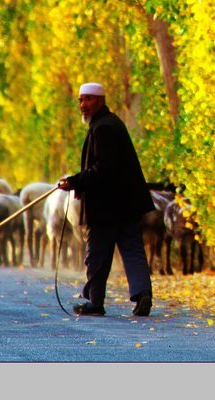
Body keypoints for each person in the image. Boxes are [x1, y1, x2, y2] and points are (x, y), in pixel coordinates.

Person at [57, 82, 154, 317]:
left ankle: (94, 301)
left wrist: (76, 181)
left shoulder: (103, 128)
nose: (83, 105)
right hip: (128, 204)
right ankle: (142, 295)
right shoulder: (111, 123)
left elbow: (104, 168)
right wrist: (79, 182)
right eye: (80, 100)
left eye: (88, 99)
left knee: (97, 254)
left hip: (107, 206)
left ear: (100, 100)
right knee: (132, 250)